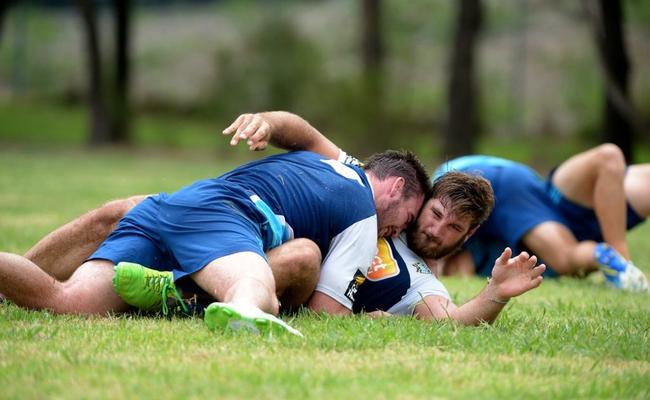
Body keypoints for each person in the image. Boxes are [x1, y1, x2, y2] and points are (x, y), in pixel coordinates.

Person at [9, 112, 545, 328]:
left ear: (469, 238)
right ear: (407, 193)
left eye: (452, 231)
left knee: (70, 305)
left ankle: (182, 292)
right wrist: (267, 120)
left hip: (227, 224)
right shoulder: (361, 190)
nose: (427, 230)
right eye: (429, 215)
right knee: (267, 270)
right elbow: (303, 131)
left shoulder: (418, 273)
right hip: (232, 221)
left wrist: (495, 294)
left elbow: (448, 320)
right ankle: (237, 309)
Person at [434, 146, 650, 293]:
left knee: (565, 258)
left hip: (496, 185)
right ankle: (609, 256)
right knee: (610, 158)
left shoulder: (442, 213)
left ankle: (616, 256)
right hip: (541, 192)